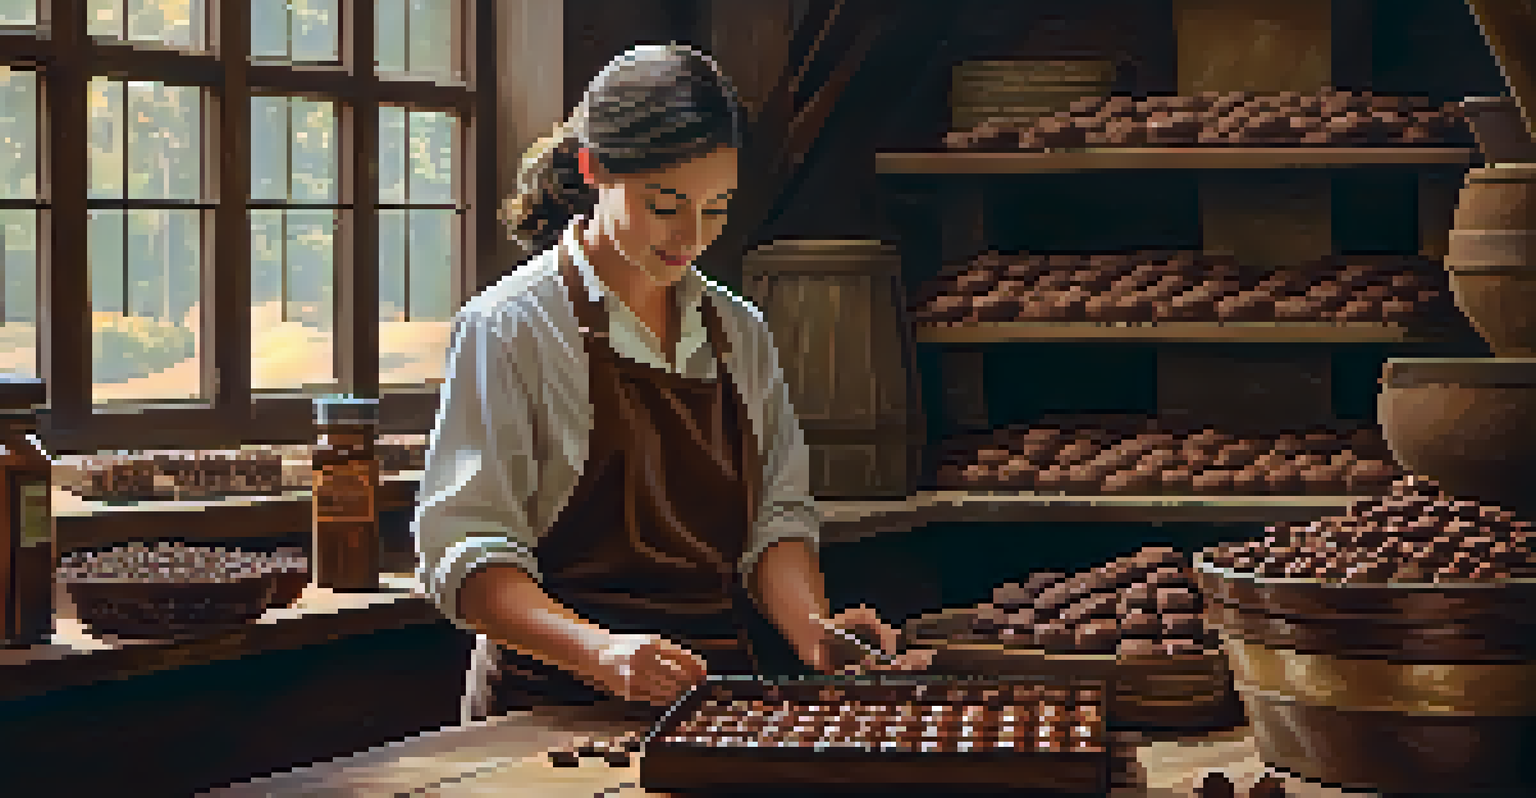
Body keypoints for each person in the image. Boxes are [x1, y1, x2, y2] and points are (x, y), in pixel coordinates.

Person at [413, 43, 932, 723]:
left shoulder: (738, 333)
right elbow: (465, 558)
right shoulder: (511, 328)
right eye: (666, 204)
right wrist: (603, 655)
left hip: (717, 712)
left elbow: (777, 520)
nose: (692, 235)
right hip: (546, 717)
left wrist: (813, 630)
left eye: (717, 208)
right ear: (594, 168)